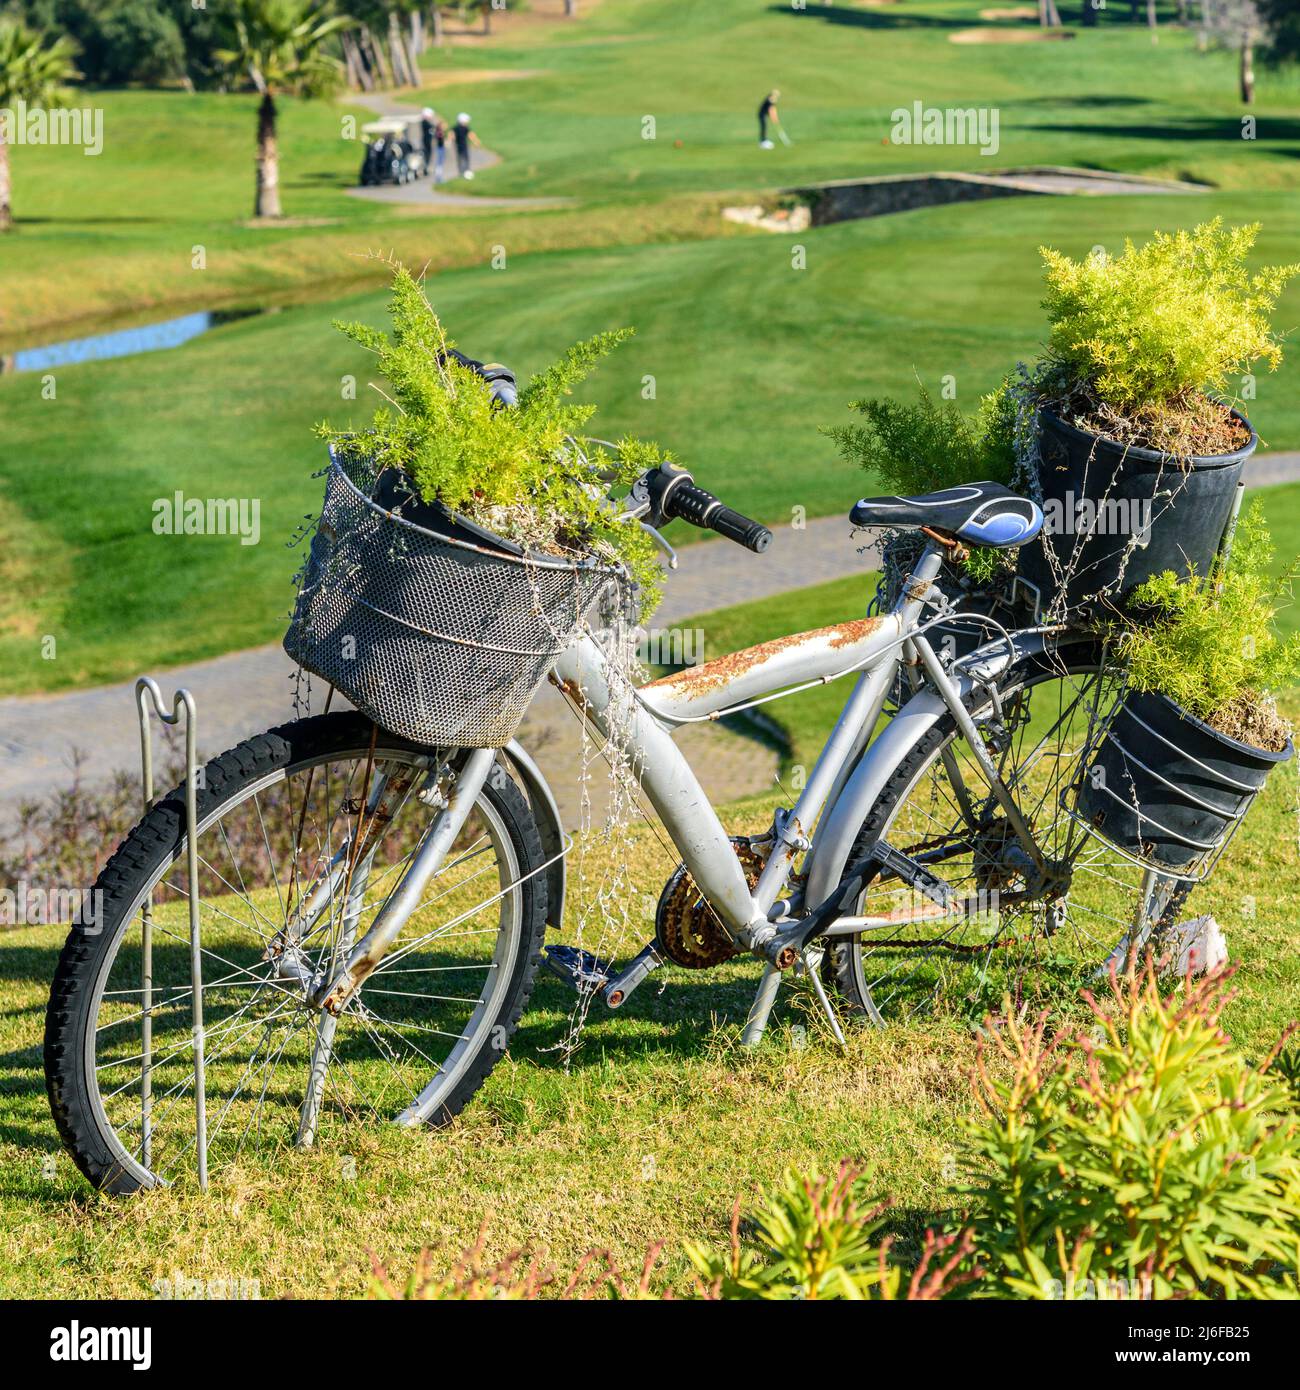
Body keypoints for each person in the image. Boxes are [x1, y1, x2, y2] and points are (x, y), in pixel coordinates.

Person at [454, 112, 481, 180]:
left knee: (462, 159)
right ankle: (464, 172)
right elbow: (471, 135)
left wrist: (475, 141)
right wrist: (476, 141)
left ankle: (464, 172)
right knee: (464, 159)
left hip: (460, 146)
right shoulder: (461, 128)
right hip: (462, 146)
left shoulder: (460, 127)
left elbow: (470, 135)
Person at [420, 107, 435, 176]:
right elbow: (431, 127)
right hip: (426, 141)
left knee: (428, 154)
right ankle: (425, 168)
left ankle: (426, 167)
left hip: (428, 141)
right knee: (426, 154)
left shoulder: (427, 123)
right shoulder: (424, 122)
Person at [433, 115, 448, 184]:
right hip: (440, 149)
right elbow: (440, 138)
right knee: (439, 164)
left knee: (440, 163)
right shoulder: (439, 132)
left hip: (441, 148)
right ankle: (438, 178)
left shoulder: (440, 132)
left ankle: (439, 178)